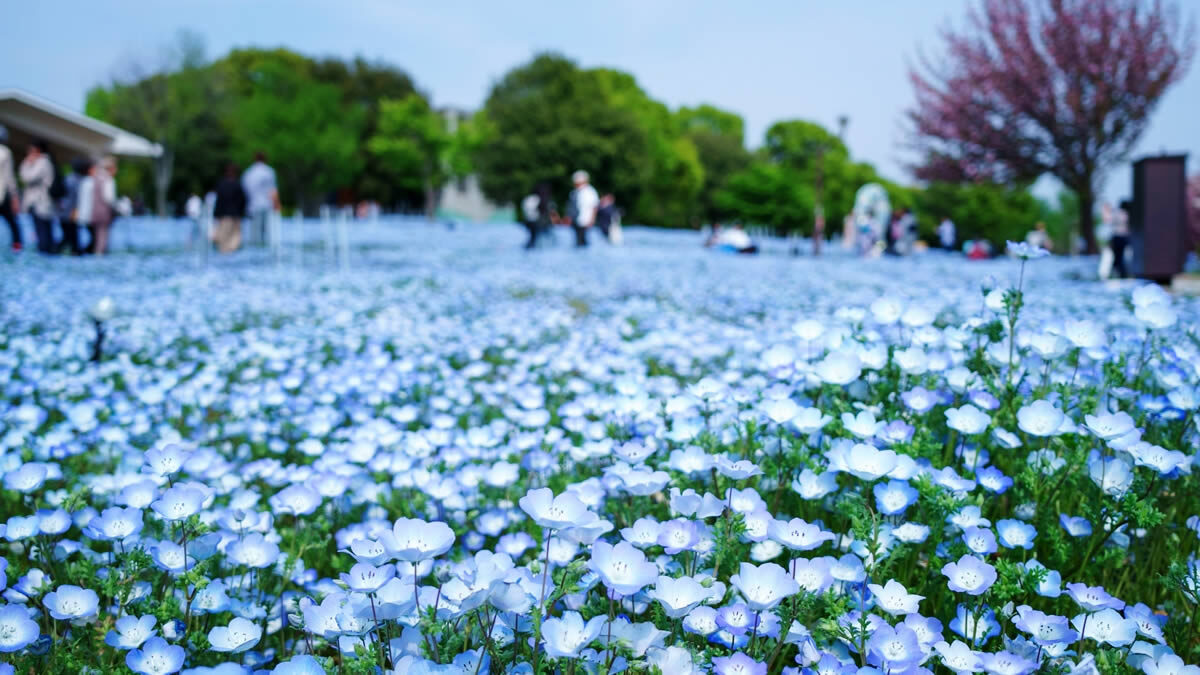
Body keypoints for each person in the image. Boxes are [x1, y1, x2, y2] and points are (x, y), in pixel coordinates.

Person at [19, 140, 57, 254]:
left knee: (42, 229)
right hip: (39, 201)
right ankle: (47, 250)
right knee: (44, 228)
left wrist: (27, 162)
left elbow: (27, 177)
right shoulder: (44, 161)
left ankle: (45, 251)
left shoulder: (42, 162)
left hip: (40, 201)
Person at [77, 156, 117, 256]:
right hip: (104, 212)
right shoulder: (108, 179)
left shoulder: (95, 178)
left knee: (96, 235)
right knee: (102, 236)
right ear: (111, 168)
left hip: (94, 212)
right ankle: (100, 254)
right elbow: (109, 198)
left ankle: (95, 253)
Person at [241, 151, 279, 246]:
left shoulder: (248, 172)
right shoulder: (268, 171)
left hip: (252, 205)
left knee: (254, 233)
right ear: (265, 159)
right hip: (266, 205)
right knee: (266, 232)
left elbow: (244, 191)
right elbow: (272, 191)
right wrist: (277, 204)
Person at [57, 157, 89, 255]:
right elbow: (77, 198)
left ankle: (60, 250)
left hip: (63, 210)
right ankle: (71, 251)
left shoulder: (68, 178)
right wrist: (75, 210)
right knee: (71, 236)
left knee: (68, 235)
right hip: (72, 212)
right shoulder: (80, 180)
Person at [213, 163, 247, 254]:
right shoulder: (238, 185)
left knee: (223, 240)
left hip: (224, 215)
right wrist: (242, 213)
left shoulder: (221, 184)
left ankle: (225, 255)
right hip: (235, 215)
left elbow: (218, 201)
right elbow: (243, 200)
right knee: (235, 238)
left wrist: (216, 214)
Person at [0, 125, 20, 252]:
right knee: (12, 222)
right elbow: (9, 177)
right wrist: (14, 195)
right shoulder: (5, 152)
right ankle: (17, 244)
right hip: (2, 193)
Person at [567, 170, 598, 248]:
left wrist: (592, 219)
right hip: (576, 220)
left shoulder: (590, 191)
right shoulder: (574, 192)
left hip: (585, 220)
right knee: (578, 239)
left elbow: (594, 206)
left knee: (582, 240)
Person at [1110, 201, 1131, 279]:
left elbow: (1110, 222)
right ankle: (1122, 272)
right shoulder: (1126, 214)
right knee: (1121, 256)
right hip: (1123, 237)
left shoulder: (1116, 213)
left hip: (1116, 237)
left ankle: (1117, 271)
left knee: (1117, 256)